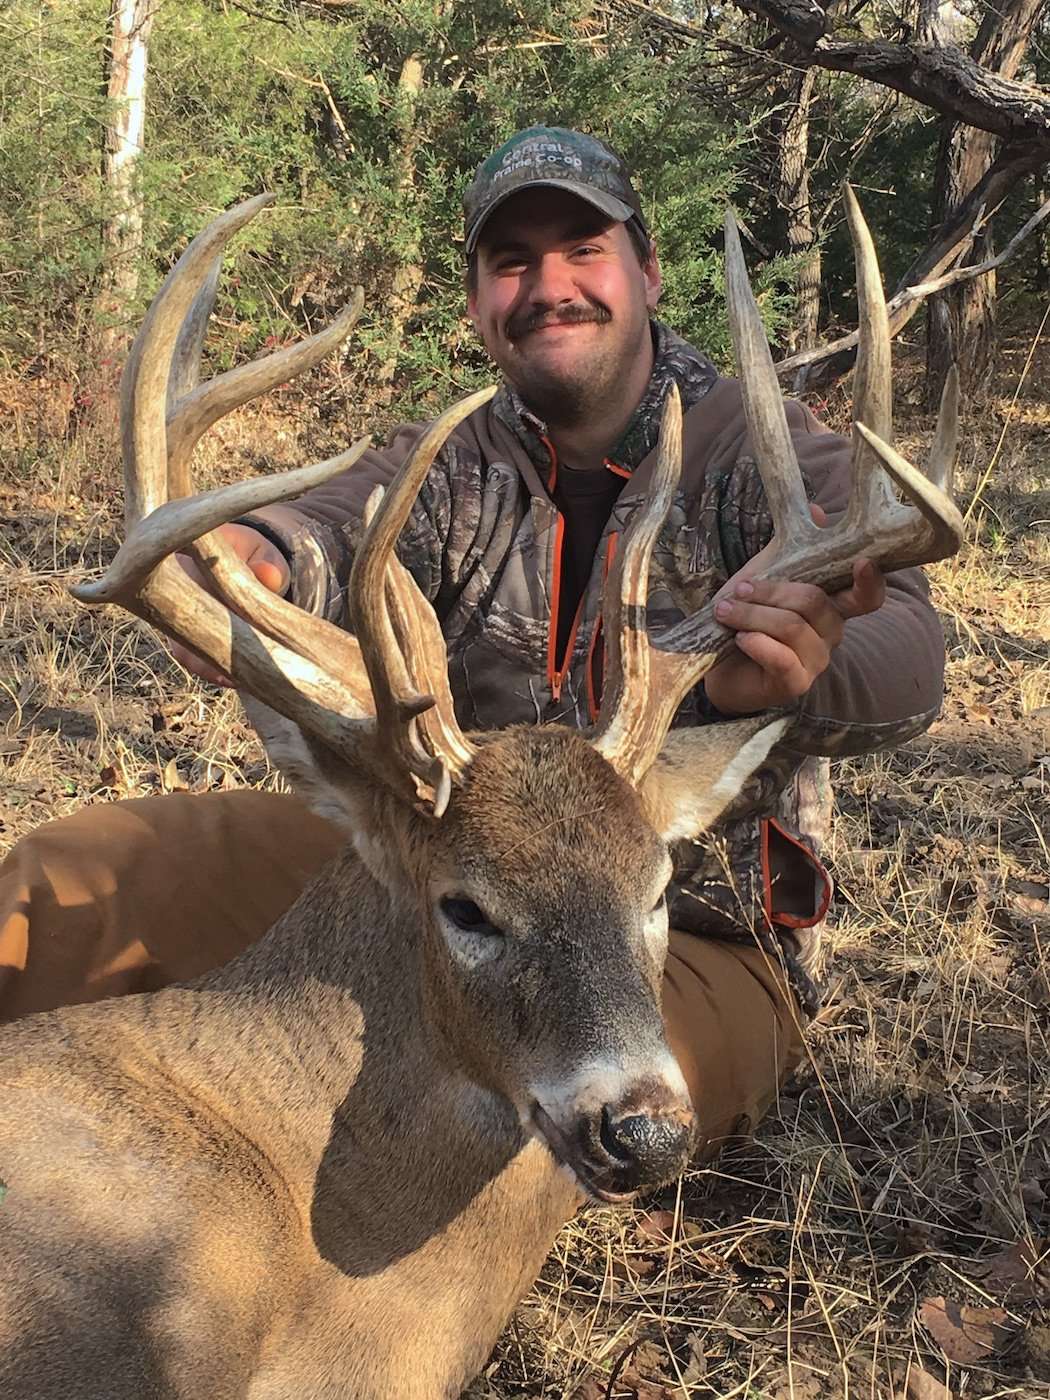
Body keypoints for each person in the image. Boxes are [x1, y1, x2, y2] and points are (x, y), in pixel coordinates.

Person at [0, 128, 944, 1158]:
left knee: (546, 1124)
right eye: (512, 262)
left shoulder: (755, 451)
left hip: (686, 934)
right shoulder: (455, 460)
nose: (550, 285)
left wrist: (810, 663)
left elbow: (906, 651)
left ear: (647, 269)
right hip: (435, 886)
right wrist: (251, 555)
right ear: (479, 304)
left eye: (584, 248)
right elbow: (323, 530)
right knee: (71, 879)